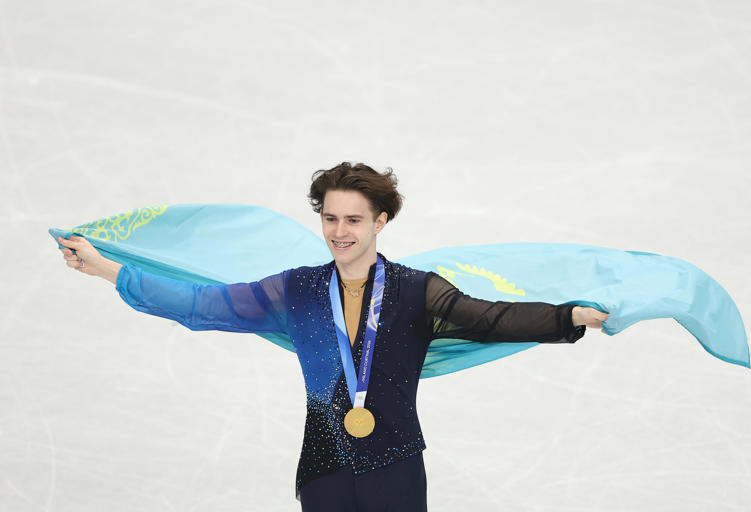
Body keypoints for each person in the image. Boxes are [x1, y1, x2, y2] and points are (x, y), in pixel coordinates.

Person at [58, 162, 610, 511]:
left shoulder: (417, 291)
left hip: (395, 464)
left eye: (353, 220)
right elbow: (203, 304)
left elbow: (489, 318)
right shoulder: (295, 289)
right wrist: (108, 270)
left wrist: (568, 317)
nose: (339, 232)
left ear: (380, 222)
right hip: (324, 467)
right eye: (330, 219)